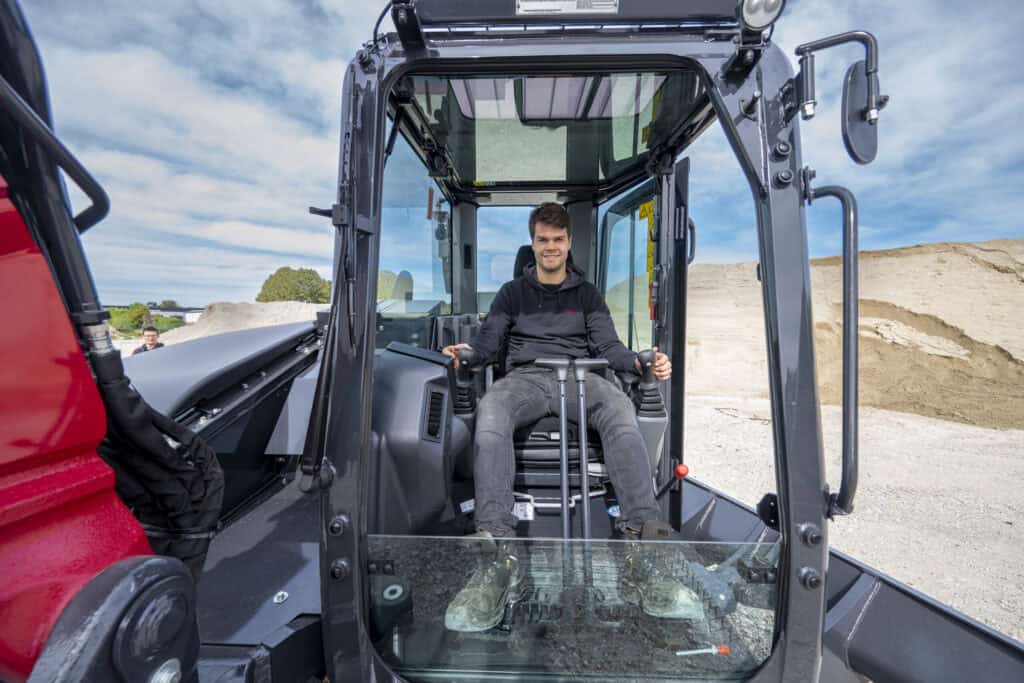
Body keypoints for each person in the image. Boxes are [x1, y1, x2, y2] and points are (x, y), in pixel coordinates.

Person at [441, 202, 700, 631]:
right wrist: (468, 354)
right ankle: (498, 557)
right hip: (525, 379)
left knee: (620, 412)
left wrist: (639, 364)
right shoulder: (511, 294)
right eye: (543, 239)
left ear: (568, 243)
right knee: (490, 414)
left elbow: (610, 349)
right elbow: (488, 345)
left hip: (583, 378)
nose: (550, 247)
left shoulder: (587, 296)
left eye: (558, 240)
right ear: (533, 241)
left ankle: (644, 556)